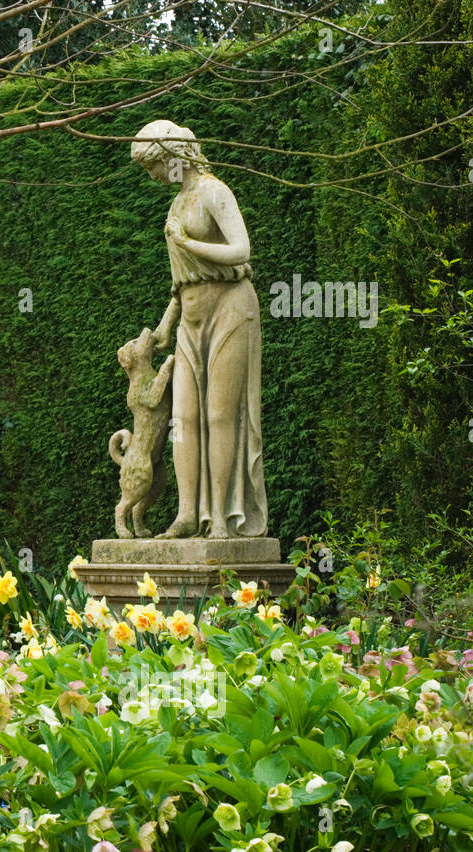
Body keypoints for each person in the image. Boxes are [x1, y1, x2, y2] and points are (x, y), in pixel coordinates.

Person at [131, 119, 268, 538]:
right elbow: (182, 281)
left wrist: (188, 242)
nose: (152, 176)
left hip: (231, 306)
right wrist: (162, 328)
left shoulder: (214, 191)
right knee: (183, 418)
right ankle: (187, 515)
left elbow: (241, 249)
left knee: (220, 415)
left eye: (152, 166)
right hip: (190, 318)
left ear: (171, 157)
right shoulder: (176, 205)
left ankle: (221, 521)